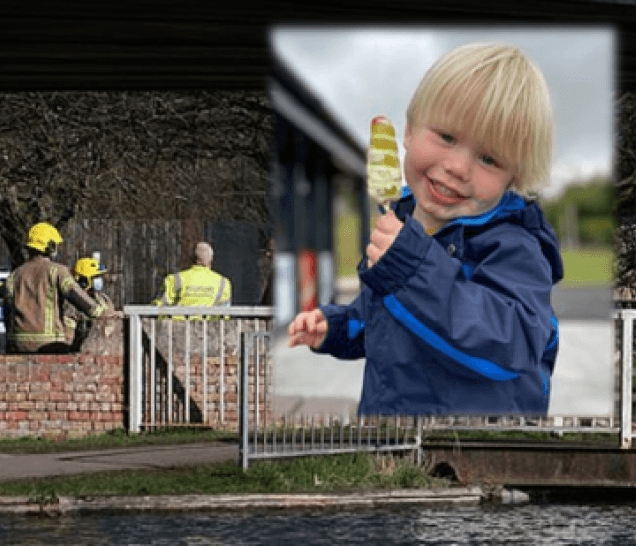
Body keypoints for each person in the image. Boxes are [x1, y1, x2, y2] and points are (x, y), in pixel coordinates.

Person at [288, 42, 563, 416]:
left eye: (488, 158)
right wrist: (336, 327)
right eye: (447, 137)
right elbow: (378, 318)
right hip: (389, 435)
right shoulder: (401, 225)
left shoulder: (514, 245)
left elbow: (510, 345)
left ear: (513, 177)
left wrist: (410, 268)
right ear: (410, 130)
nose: (458, 167)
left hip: (475, 452)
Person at [4, 222, 108, 353]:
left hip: (18, 344)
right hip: (50, 344)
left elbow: (7, 314)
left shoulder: (14, 275)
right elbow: (81, 300)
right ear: (50, 247)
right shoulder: (57, 271)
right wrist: (101, 310)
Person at [152, 241, 232, 316]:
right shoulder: (223, 282)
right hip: (209, 329)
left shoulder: (174, 279)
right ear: (210, 260)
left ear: (191, 258)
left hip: (178, 328)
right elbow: (225, 314)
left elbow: (159, 308)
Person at [67, 256, 121, 350]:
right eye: (95, 277)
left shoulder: (103, 299)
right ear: (83, 280)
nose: (99, 280)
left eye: (99, 277)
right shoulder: (73, 300)